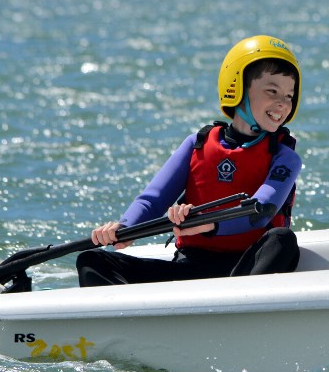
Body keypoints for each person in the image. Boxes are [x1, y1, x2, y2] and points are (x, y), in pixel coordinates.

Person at [76, 35, 302, 286]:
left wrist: (205, 223)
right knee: (92, 260)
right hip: (191, 267)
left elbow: (261, 211)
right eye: (272, 91)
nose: (283, 103)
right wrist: (123, 229)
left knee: (282, 240)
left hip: (246, 271)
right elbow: (153, 199)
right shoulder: (198, 144)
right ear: (237, 87)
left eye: (289, 95)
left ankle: (238, 315)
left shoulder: (285, 157)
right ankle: (130, 323)